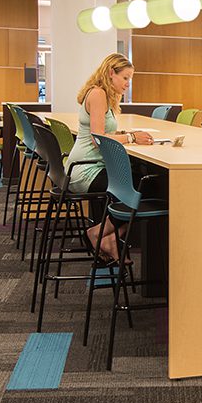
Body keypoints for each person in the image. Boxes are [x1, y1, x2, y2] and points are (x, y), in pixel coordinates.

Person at [70, 54, 154, 261]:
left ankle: (110, 237)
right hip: (86, 170)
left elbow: (100, 133)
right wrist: (132, 137)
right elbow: (97, 140)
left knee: (141, 182)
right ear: (110, 73)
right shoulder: (98, 94)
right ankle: (99, 234)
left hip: (87, 166)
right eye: (125, 78)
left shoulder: (101, 94)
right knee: (143, 187)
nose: (127, 84)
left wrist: (122, 136)